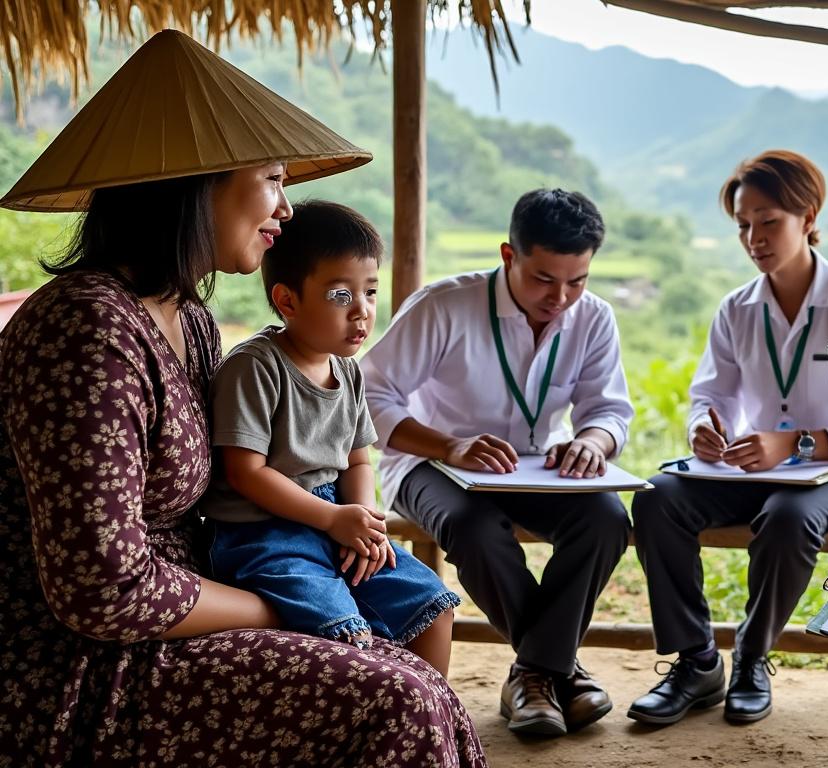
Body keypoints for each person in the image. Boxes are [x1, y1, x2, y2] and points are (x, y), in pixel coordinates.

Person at [0, 30, 485, 766]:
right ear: (197, 184)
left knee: (409, 653)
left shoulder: (187, 317)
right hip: (92, 667)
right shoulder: (87, 329)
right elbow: (101, 590)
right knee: (398, 698)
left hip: (191, 598)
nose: (286, 208)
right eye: (271, 178)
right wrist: (280, 606)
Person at [627, 149, 828, 726]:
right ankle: (698, 659)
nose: (754, 238)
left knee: (787, 518)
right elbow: (712, 394)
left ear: (808, 215)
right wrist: (706, 426)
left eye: (769, 221)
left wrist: (796, 443)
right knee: (658, 498)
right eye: (744, 226)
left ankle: (752, 655)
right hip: (754, 467)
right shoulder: (737, 309)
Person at [361, 188, 634, 738]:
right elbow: (368, 396)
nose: (561, 297)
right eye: (543, 279)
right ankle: (561, 672)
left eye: (576, 281)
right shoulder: (444, 305)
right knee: (474, 527)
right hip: (428, 468)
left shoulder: (595, 318)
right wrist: (448, 446)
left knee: (606, 520)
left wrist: (593, 442)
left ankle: (536, 672)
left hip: (533, 468)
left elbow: (608, 410)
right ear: (509, 256)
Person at [199, 200, 458, 675]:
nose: (361, 312)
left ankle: (437, 736)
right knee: (349, 636)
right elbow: (245, 473)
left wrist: (361, 521)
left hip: (336, 518)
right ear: (288, 301)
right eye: (341, 295)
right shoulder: (255, 368)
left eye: (371, 292)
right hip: (265, 534)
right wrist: (333, 518)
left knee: (434, 609)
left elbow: (358, 461)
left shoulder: (349, 373)